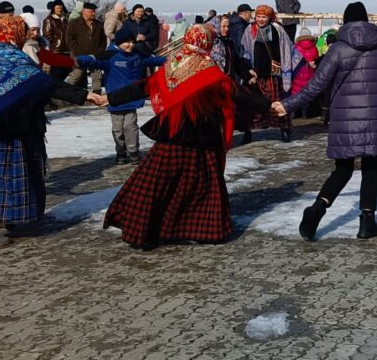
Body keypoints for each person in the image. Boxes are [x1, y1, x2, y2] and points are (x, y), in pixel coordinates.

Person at [102, 24, 271, 249]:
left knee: (156, 181)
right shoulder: (206, 68)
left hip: (172, 134)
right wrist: (269, 105)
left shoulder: (173, 62)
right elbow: (235, 92)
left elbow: (145, 86)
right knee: (205, 184)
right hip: (201, 136)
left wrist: (112, 98)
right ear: (205, 43)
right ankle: (200, 228)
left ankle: (141, 225)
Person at [271, 1, 377, 241]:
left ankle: (317, 210)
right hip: (374, 120)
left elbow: (316, 86)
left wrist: (288, 105)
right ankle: (367, 222)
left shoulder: (337, 50)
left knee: (343, 169)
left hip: (345, 120)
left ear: (346, 22)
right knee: (371, 169)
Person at [0, 16, 103, 245]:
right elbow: (43, 83)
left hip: (10, 126)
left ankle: (8, 218)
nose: (25, 34)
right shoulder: (8, 59)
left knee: (13, 173)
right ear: (11, 34)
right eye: (22, 31)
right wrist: (84, 95)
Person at [76, 26, 167, 165]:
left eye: (132, 42)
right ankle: (120, 152)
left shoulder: (138, 55)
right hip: (114, 99)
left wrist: (172, 60)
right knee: (118, 128)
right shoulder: (110, 56)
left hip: (131, 98)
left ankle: (133, 152)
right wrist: (78, 61)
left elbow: (155, 59)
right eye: (126, 42)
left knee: (131, 126)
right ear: (118, 43)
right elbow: (93, 60)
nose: (130, 45)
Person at [240, 5, 296, 142]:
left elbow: (287, 48)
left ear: (269, 17)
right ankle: (248, 133)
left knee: (277, 101)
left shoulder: (278, 29)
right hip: (255, 73)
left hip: (273, 72)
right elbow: (244, 49)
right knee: (251, 103)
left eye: (263, 17)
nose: (260, 19)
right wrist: (247, 69)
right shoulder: (250, 30)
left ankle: (285, 130)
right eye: (258, 16)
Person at [66, 2, 107, 92]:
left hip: (95, 56)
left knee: (97, 77)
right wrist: (79, 52)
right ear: (84, 11)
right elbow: (70, 40)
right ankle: (63, 94)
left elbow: (103, 40)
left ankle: (97, 95)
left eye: (94, 11)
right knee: (76, 75)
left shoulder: (99, 24)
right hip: (79, 55)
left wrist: (99, 52)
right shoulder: (74, 23)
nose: (94, 13)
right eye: (91, 11)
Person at [290, 27, 320, 118]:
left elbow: (292, 60)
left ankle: (294, 113)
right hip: (310, 73)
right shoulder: (314, 47)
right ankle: (305, 113)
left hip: (298, 73)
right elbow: (316, 59)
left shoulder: (296, 47)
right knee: (307, 93)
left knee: (295, 92)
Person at [42, 0, 71, 82]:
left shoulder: (65, 19)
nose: (60, 10)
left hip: (66, 49)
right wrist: (56, 41)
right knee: (56, 72)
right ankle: (55, 89)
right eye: (58, 8)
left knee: (65, 71)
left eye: (61, 8)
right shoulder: (49, 20)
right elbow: (47, 35)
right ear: (54, 8)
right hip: (56, 50)